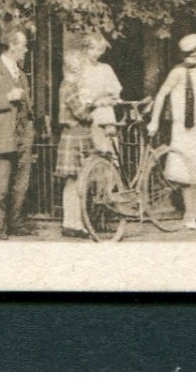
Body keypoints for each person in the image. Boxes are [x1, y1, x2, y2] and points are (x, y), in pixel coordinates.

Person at [55, 32, 123, 238]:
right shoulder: (73, 79)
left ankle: (96, 218)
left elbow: (115, 92)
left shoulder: (105, 69)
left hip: (96, 120)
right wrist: (96, 101)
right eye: (93, 49)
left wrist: (104, 99)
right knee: (80, 177)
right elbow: (80, 105)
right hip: (85, 125)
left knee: (104, 171)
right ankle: (78, 221)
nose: (96, 54)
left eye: (100, 50)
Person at [0, 27, 38, 240]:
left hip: (23, 135)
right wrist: (7, 97)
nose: (27, 50)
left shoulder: (21, 74)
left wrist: (30, 129)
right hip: (1, 135)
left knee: (21, 183)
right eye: (24, 45)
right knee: (0, 183)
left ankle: (14, 222)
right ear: (11, 45)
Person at [148, 33, 196, 230]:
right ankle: (188, 213)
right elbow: (161, 95)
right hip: (184, 128)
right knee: (188, 170)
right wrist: (154, 121)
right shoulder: (177, 72)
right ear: (195, 52)